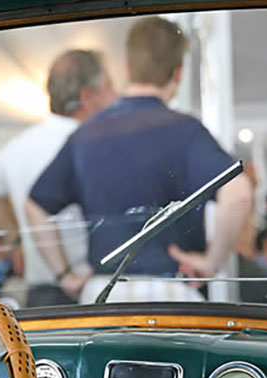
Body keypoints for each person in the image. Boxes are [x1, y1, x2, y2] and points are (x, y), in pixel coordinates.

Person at [27, 16, 252, 304]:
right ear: (178, 72)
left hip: (104, 295)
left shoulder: (86, 134)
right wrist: (212, 261)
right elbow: (238, 194)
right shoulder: (185, 131)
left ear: (127, 67)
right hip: (172, 293)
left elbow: (34, 206)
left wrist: (64, 275)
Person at [0, 49, 117, 307]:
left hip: (40, 295)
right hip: (89, 289)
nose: (116, 95)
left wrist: (16, 241)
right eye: (109, 86)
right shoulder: (97, 144)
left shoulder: (20, 145)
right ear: (86, 96)